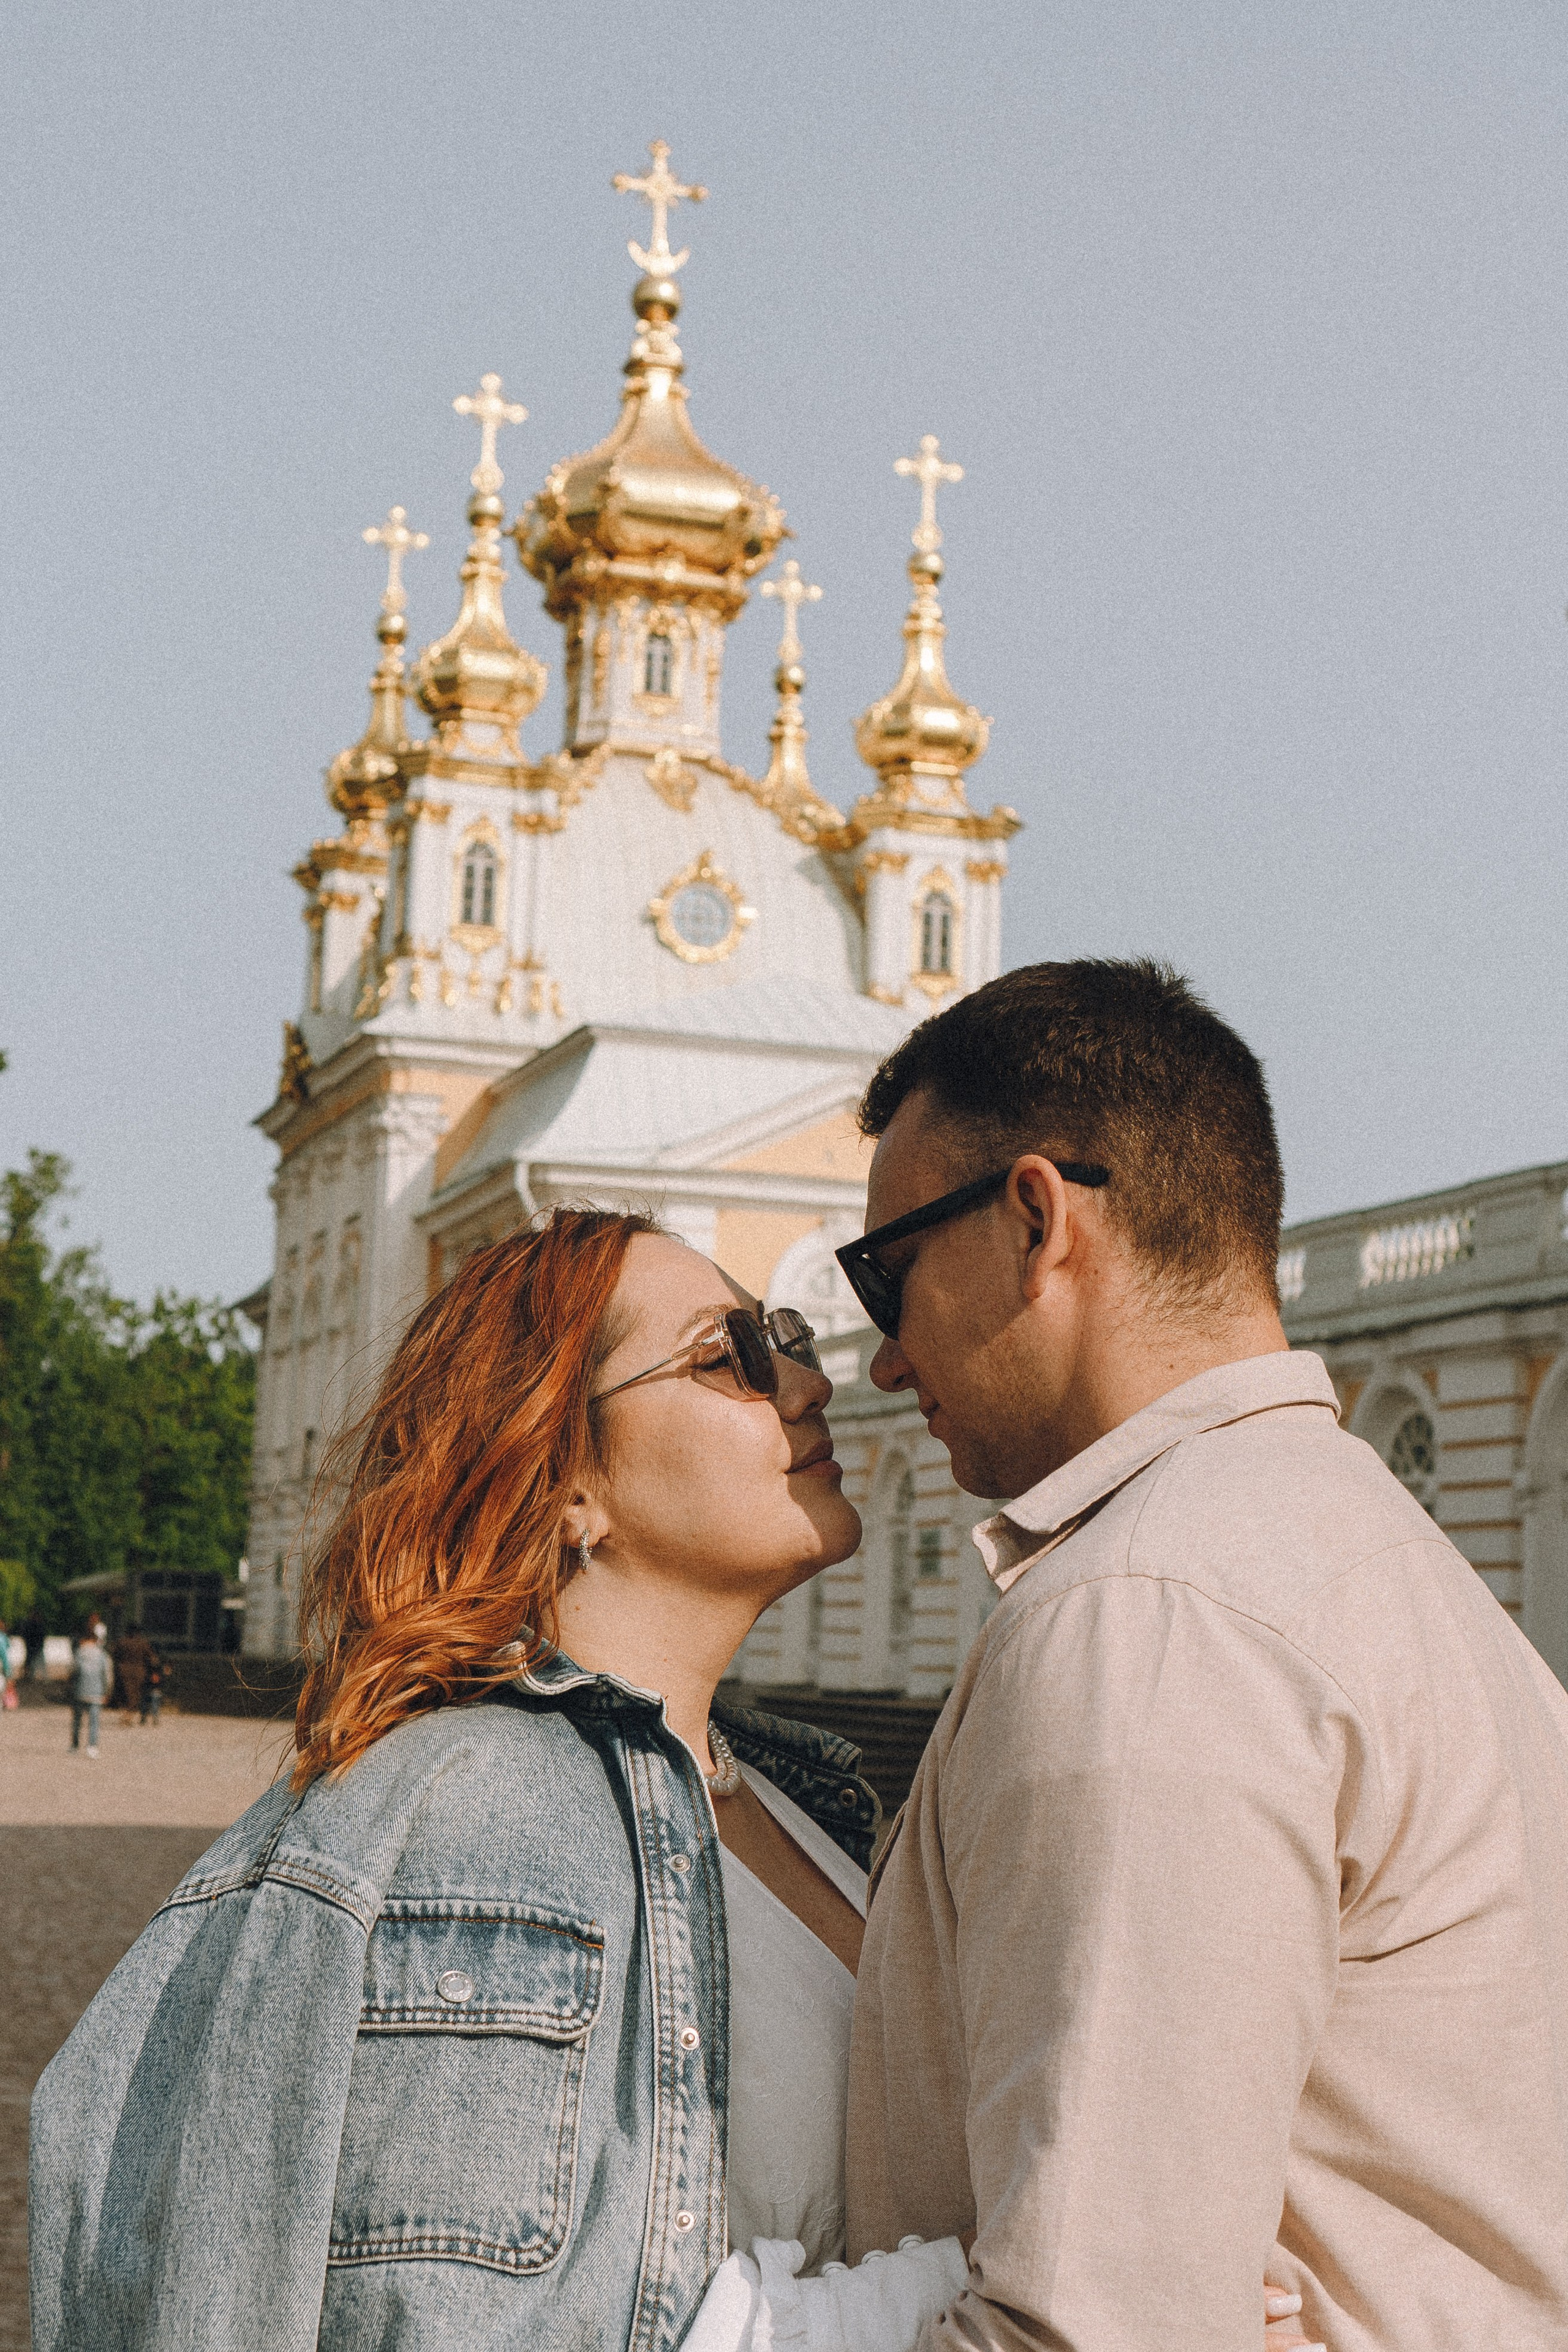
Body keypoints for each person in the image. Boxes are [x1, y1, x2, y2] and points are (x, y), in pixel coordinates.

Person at [31, 1207, 1314, 2352]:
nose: (808, 1386)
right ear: (564, 1479)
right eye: (731, 1356)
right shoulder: (485, 1807)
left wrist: (1135, 2279)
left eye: (788, 1338)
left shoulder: (795, 1802)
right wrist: (1058, 2289)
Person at [831, 959, 1568, 2350]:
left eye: (887, 1273)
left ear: (1034, 1217)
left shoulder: (1150, 1616)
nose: (879, 1357)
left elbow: (1093, 2326)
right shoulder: (1388, 1569)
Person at [69, 1625, 111, 1758]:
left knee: (77, 1720)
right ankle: (92, 1746)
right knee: (94, 1721)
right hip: (97, 1692)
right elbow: (107, 1675)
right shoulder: (102, 1655)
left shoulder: (79, 1654)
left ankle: (75, 1745)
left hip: (79, 1691)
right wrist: (107, 1691)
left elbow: (72, 1671)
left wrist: (71, 1687)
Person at [111, 1626, 153, 1727]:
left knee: (126, 1693)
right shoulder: (143, 1643)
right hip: (139, 1671)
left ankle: (127, 1715)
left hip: (124, 1671)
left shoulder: (122, 1642)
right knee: (136, 1693)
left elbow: (114, 1654)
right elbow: (150, 1657)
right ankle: (129, 1715)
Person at [140, 1645, 164, 1725]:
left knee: (155, 1702)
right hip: (147, 1686)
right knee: (145, 1703)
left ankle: (155, 1718)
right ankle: (144, 1717)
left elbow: (162, 1678)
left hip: (155, 1687)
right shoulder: (147, 1664)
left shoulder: (159, 1666)